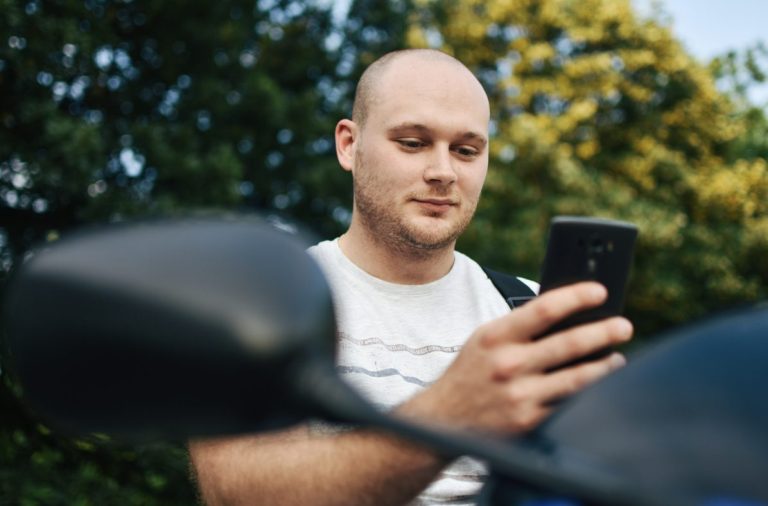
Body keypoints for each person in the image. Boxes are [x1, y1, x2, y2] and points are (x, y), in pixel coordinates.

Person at [189, 48, 633, 506]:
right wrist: (452, 413)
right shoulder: (262, 302)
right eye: (413, 142)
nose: (443, 172)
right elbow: (238, 492)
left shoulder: (531, 312)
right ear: (348, 145)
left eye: (465, 150)